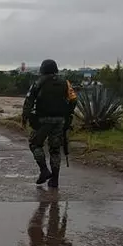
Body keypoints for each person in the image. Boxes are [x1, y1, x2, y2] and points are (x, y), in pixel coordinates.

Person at [21, 59, 77, 188]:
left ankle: (44, 170)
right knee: (55, 150)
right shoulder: (65, 82)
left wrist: (25, 117)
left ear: (43, 69)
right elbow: (73, 100)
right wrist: (67, 114)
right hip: (59, 121)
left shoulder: (38, 82)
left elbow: (29, 101)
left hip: (42, 121)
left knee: (34, 144)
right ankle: (55, 180)